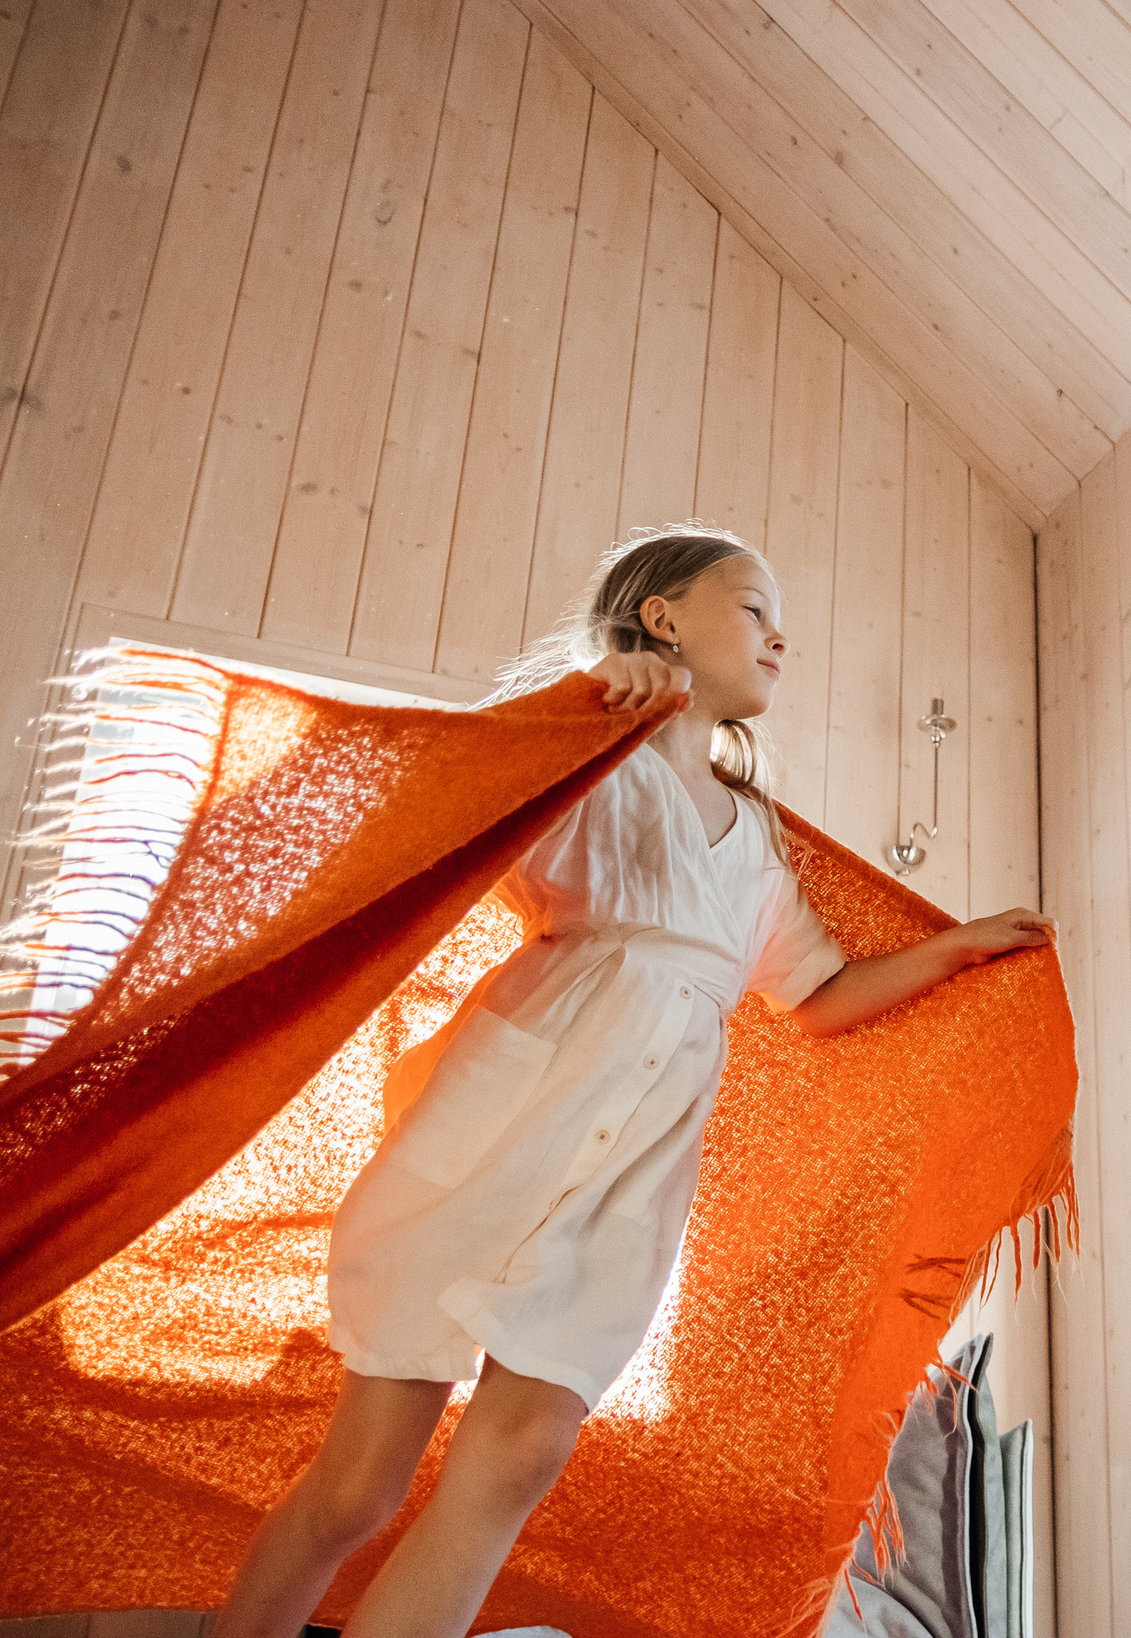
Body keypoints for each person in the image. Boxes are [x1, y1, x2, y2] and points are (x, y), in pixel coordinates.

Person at [218, 524, 1054, 1638]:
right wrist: (591, 703)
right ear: (662, 618)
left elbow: (817, 991)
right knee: (361, 1484)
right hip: (504, 1135)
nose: (780, 638)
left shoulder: (754, 837)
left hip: (632, 1184)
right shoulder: (594, 748)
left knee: (522, 1454)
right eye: (754, 610)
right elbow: (465, 799)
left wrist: (954, 949)